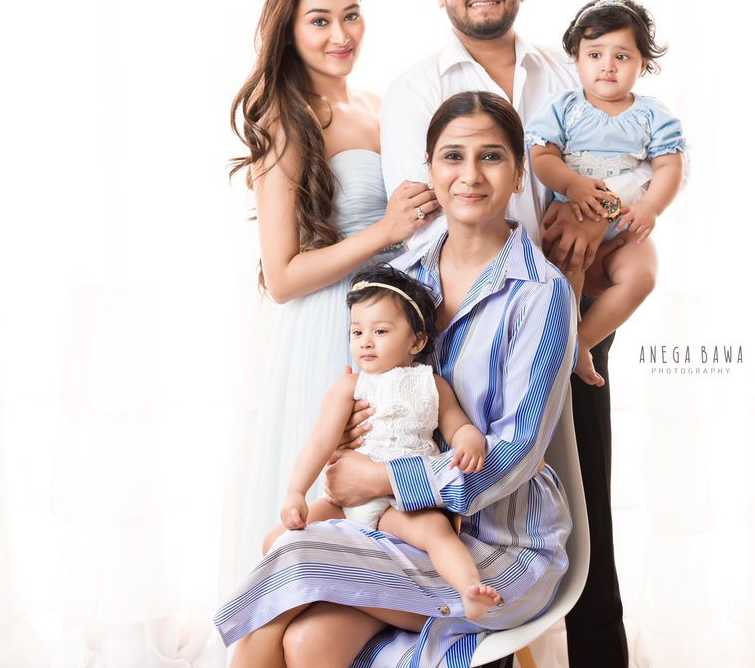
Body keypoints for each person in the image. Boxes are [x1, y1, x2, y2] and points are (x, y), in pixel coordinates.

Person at [379, 0, 677, 666]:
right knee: (485, 494)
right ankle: (490, 644)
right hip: (470, 324)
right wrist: (552, 230)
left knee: (586, 504)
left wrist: (590, 221)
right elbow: (423, 222)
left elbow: (621, 172)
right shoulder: (416, 89)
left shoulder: (565, 69)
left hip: (569, 312)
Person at [214, 91, 576, 668]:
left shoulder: (541, 292)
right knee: (305, 634)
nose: (470, 175)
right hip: (388, 525)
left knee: (287, 565)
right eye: (452, 157)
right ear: (430, 169)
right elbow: (360, 403)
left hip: (497, 543)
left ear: (517, 173)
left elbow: (517, 451)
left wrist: (382, 476)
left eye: (491, 157)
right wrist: (348, 461)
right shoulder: (400, 278)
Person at [219, 0, 439, 592]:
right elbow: (283, 276)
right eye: (319, 20)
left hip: (392, 320)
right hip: (328, 326)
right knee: (328, 500)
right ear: (289, 29)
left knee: (390, 504)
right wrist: (385, 231)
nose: (340, 35)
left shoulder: (379, 105)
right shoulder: (286, 122)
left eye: (351, 15)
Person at [262, 264, 503, 622]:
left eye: (380, 331)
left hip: (401, 501)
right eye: (356, 331)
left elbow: (457, 427)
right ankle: (298, 597)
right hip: (345, 500)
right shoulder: (348, 387)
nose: (365, 341)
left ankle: (470, 590)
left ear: (416, 342)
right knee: (279, 537)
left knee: (437, 532)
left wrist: (470, 439)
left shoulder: (432, 385)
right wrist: (296, 492)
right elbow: (320, 442)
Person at [526, 0, 687, 386]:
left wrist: (650, 207)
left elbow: (670, 166)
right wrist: (571, 184)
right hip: (575, 218)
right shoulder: (564, 107)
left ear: (644, 64)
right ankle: (568, 335)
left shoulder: (652, 114)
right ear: (576, 59)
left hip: (626, 224)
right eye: (595, 54)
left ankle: (582, 341)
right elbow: (541, 154)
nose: (607, 65)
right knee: (568, 275)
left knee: (642, 276)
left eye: (622, 56)